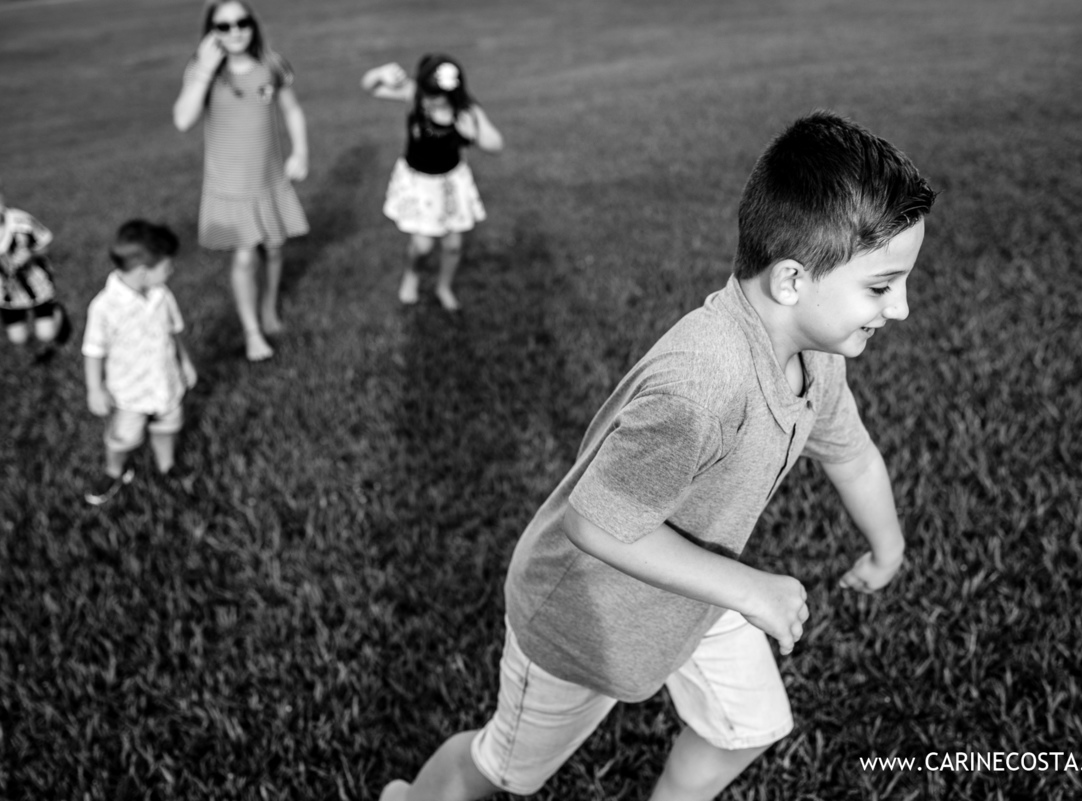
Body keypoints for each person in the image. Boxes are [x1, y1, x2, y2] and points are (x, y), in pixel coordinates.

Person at [379, 111, 936, 801]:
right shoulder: (702, 381)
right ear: (791, 280)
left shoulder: (816, 362)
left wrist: (887, 547)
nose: (902, 308)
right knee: (505, 767)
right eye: (882, 286)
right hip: (584, 615)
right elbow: (597, 524)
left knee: (747, 722)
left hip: (691, 592)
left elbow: (851, 455)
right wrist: (749, 588)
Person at [172, 0, 309, 362]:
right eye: (223, 26)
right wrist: (203, 69)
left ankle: (268, 307)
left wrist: (301, 152)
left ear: (253, 24)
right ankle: (252, 333)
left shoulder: (271, 64)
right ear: (211, 33)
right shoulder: (205, 71)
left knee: (276, 247)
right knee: (247, 255)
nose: (235, 32)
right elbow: (183, 120)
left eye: (242, 22)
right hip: (231, 186)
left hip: (270, 179)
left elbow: (292, 109)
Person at [361, 54, 503, 311]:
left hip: (450, 183)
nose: (429, 100)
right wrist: (380, 73)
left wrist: (476, 135)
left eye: (435, 96)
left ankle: (443, 286)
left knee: (453, 244)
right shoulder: (415, 94)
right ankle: (412, 274)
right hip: (419, 182)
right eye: (427, 94)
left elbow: (496, 143)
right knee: (423, 244)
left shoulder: (466, 111)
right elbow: (370, 88)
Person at [81, 220, 198, 506]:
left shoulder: (162, 295)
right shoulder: (104, 307)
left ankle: (167, 466)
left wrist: (186, 362)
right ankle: (114, 471)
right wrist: (95, 389)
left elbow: (174, 331)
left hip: (165, 382)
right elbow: (93, 350)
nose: (171, 271)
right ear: (145, 271)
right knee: (123, 437)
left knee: (167, 426)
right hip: (129, 391)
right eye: (168, 267)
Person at [0, 162, 72, 361]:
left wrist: (31, 254)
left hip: (38, 285)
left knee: (46, 333)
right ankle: (38, 354)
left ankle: (57, 316)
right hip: (5, 293)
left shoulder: (21, 222)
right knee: (18, 337)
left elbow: (44, 244)